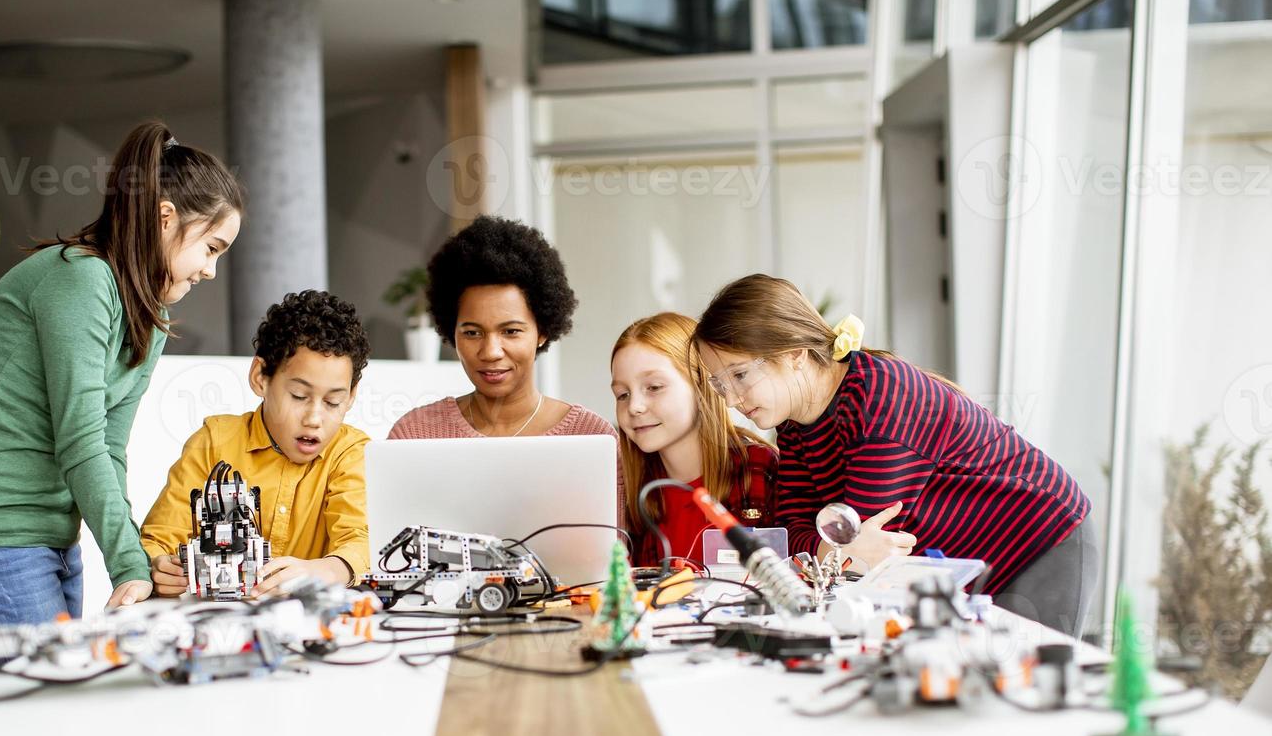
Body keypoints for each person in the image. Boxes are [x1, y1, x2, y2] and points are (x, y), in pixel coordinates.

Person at [0, 121, 243, 626]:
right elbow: (81, 439)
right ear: (164, 218)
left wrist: (134, 558)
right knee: (40, 702)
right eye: (212, 248)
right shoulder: (81, 278)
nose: (210, 270)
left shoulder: (152, 319)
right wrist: (130, 562)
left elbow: (109, 449)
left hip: (51, 540)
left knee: (59, 698)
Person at [693, 274, 1096, 636]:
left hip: (1037, 540)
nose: (730, 399)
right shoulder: (795, 426)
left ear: (796, 354)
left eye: (740, 375)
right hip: (964, 568)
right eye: (720, 383)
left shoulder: (879, 396)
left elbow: (872, 545)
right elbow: (797, 535)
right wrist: (833, 550)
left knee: (1024, 693)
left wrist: (834, 549)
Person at [141, 290, 372, 595]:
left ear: (351, 396)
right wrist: (160, 566)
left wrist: (326, 569)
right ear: (260, 376)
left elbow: (360, 539)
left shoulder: (350, 452)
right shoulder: (216, 442)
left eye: (333, 402)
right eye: (299, 397)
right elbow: (159, 538)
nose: (315, 418)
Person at [387, 215, 624, 512]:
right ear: (451, 332)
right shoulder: (415, 435)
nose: (491, 352)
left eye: (511, 331)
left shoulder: (590, 437)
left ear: (543, 331)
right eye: (472, 333)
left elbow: (613, 553)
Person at [610, 312, 777, 567]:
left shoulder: (758, 468)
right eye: (622, 394)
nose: (634, 407)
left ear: (702, 386)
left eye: (654, 387)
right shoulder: (629, 491)